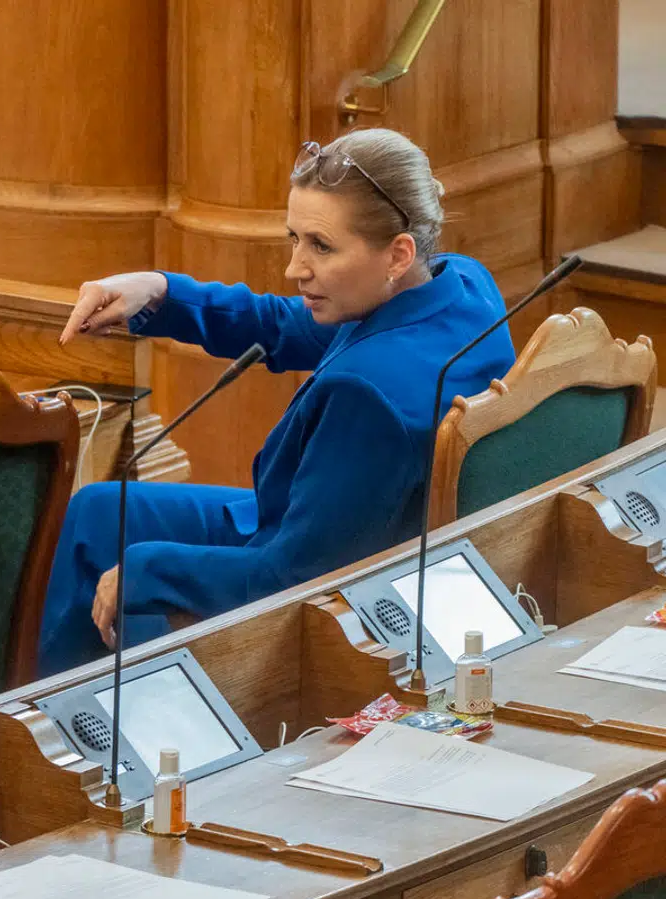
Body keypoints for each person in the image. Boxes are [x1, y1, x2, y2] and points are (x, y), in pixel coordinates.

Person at [37, 128, 516, 677]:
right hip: (335, 526)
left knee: (125, 566)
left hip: (327, 585)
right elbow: (286, 326)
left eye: (321, 246)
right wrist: (159, 293)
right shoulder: (461, 287)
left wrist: (145, 572)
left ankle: (75, 729)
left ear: (397, 253)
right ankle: (61, 703)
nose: (295, 268)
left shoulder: (368, 397)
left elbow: (294, 583)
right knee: (102, 510)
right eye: (295, 238)